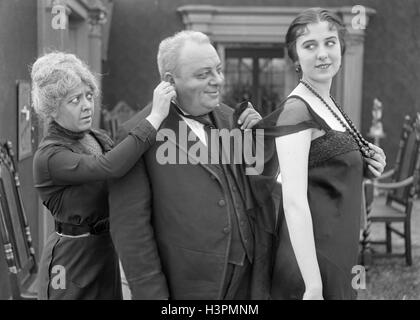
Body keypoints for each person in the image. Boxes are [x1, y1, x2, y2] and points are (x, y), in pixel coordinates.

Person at [108, 30, 270, 300]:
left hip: (246, 282)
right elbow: (132, 234)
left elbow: (259, 191)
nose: (217, 81)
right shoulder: (136, 135)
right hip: (188, 288)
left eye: (218, 70)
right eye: (203, 74)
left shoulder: (233, 119)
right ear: (170, 81)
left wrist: (261, 143)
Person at [254, 8, 386, 300]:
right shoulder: (297, 110)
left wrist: (367, 161)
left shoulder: (328, 103)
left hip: (339, 251)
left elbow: (331, 164)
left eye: (329, 42)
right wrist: (313, 285)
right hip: (312, 262)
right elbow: (294, 200)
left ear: (341, 46)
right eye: (309, 45)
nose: (323, 53)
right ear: (295, 58)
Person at [32, 51, 175, 299]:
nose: (87, 105)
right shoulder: (50, 156)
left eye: (89, 96)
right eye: (74, 100)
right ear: (52, 109)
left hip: (105, 251)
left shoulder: (96, 137)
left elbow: (129, 162)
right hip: (70, 262)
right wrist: (155, 116)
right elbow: (110, 166)